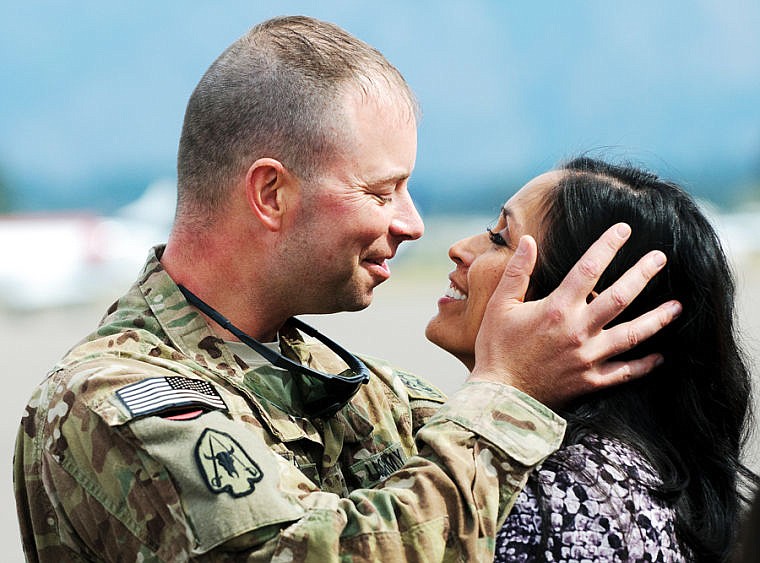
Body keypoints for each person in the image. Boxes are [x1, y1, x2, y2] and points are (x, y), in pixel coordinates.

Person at [14, 17, 680, 562]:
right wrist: (507, 394)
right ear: (271, 193)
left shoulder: (355, 388)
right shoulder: (114, 402)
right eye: (381, 191)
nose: (412, 223)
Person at [425, 156, 758, 562]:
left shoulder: (575, 503)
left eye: (500, 239)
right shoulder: (610, 478)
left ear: (585, 315)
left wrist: (502, 383)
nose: (459, 250)